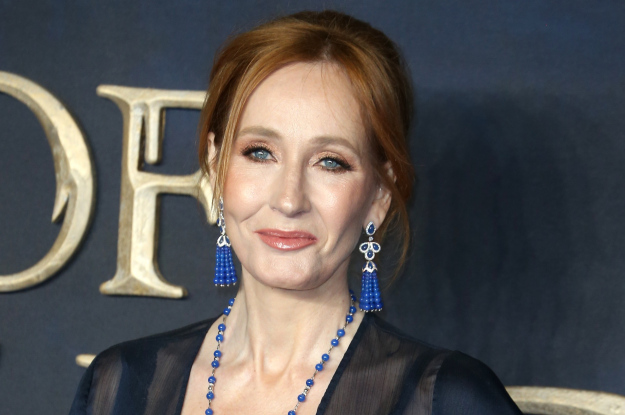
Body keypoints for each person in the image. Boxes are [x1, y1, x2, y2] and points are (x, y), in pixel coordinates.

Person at [69, 10, 522, 415]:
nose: (289, 200)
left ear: (380, 194)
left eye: (331, 162)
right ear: (216, 165)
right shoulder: (120, 386)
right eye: (260, 152)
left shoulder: (448, 400)